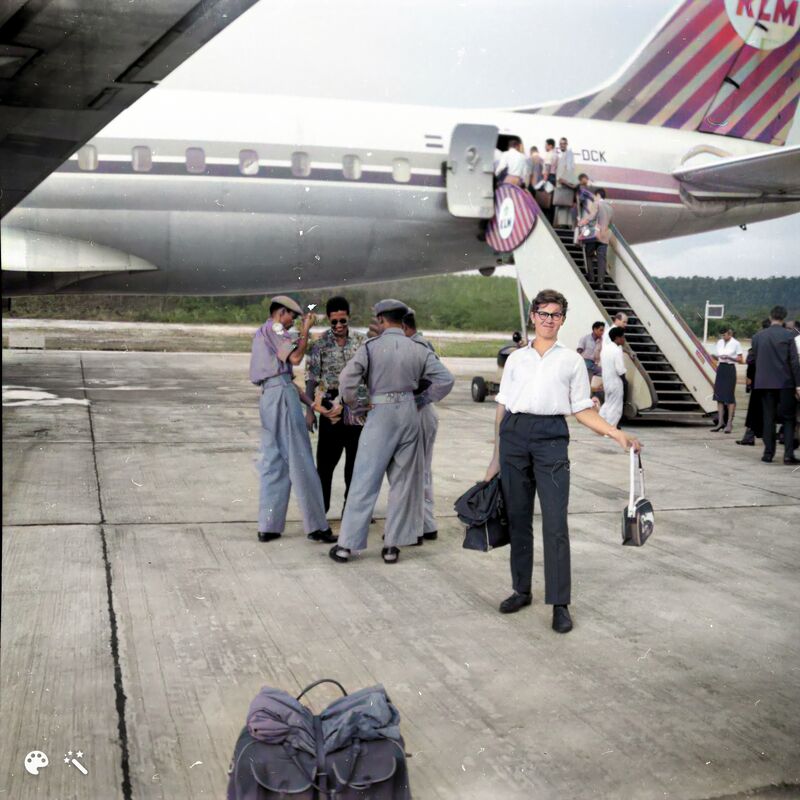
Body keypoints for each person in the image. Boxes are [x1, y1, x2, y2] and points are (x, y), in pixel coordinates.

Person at [484, 289, 641, 634]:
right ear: (532, 316)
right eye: (542, 313)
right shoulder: (516, 359)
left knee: (555, 523)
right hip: (514, 435)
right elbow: (501, 407)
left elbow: (582, 409)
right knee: (518, 518)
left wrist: (616, 434)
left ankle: (559, 603)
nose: (548, 319)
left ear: (563, 320)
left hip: (551, 438)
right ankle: (520, 590)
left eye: (555, 314)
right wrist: (495, 459)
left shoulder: (571, 360)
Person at [329, 300, 455, 564]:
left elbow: (347, 381)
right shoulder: (418, 348)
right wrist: (422, 400)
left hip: (381, 413)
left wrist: (358, 405)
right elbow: (446, 380)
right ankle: (392, 546)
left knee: (364, 479)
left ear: (382, 319)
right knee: (404, 483)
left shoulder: (371, 347)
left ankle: (346, 546)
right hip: (409, 413)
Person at [249, 295, 333, 543]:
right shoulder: (275, 328)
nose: (293, 322)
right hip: (280, 397)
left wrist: (312, 405)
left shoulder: (263, 332)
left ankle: (269, 526)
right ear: (280, 313)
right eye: (292, 316)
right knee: (301, 460)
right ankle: (317, 526)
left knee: (274, 461)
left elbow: (285, 378)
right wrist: (305, 330)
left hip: (271, 395)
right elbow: (295, 359)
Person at [305, 296, 368, 515]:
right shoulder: (320, 344)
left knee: (356, 463)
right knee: (325, 464)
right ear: (329, 320)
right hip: (330, 405)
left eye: (343, 321)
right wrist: (310, 412)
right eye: (334, 322)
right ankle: (321, 510)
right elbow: (311, 378)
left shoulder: (362, 342)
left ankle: (351, 511)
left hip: (355, 407)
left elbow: (369, 375)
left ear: (348, 318)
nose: (339, 326)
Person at [402, 309, 441, 543]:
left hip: (420, 413)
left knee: (415, 471)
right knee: (422, 470)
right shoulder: (422, 343)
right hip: (424, 412)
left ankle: (416, 529)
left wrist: (417, 400)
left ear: (405, 328)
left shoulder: (418, 346)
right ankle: (426, 524)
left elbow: (430, 379)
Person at [748, 305, 800, 464]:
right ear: (784, 318)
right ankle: (788, 455)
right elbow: (794, 362)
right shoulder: (789, 336)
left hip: (764, 383)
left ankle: (768, 453)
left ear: (771, 317)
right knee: (788, 419)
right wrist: (798, 385)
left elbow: (753, 359)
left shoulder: (758, 337)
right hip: (785, 383)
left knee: (768, 419)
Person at [737, 318, 771, 445]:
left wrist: (749, 378)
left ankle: (750, 436)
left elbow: (750, 361)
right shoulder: (778, 340)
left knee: (754, 409)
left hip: (758, 381)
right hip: (774, 381)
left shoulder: (758, 339)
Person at [710, 326, 744, 434]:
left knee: (729, 397)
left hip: (730, 368)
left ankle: (729, 422)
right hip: (721, 367)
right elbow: (717, 356)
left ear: (730, 334)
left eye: (725, 335)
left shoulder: (736, 343)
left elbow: (740, 359)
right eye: (722, 335)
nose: (723, 337)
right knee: (719, 396)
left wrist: (730, 358)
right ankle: (720, 422)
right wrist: (715, 356)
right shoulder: (720, 342)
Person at [580, 189, 613, 285]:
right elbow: (610, 223)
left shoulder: (596, 203)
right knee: (602, 259)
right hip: (605, 236)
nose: (594, 198)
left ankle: (591, 278)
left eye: (595, 196)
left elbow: (592, 217)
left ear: (598, 195)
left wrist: (582, 222)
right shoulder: (610, 207)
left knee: (589, 254)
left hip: (594, 234)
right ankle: (601, 283)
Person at [599, 326, 627, 427]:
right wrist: (624, 380)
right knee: (615, 407)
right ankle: (610, 430)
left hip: (607, 381)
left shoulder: (605, 349)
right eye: (623, 337)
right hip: (616, 382)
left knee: (607, 404)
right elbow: (620, 369)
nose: (624, 339)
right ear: (617, 338)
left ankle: (600, 426)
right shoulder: (616, 350)